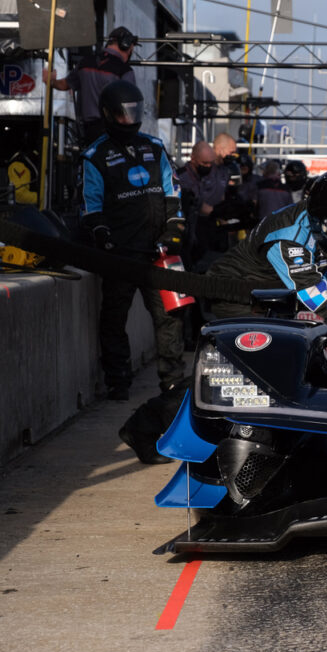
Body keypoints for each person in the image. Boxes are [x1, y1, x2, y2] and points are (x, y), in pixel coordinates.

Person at [79, 81, 184, 417]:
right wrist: (102, 234)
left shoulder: (155, 147)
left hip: (158, 252)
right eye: (123, 113)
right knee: (114, 318)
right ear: (109, 114)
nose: (129, 119)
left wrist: (173, 229)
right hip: (121, 254)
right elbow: (90, 206)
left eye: (134, 112)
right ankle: (118, 381)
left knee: (169, 319)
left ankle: (173, 381)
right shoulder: (95, 156)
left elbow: (172, 194)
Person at [206, 169, 327, 338]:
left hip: (287, 293)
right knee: (270, 352)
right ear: (324, 223)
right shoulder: (289, 237)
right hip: (241, 295)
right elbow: (316, 296)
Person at [44, 26, 138, 146]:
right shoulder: (125, 70)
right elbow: (129, 110)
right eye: (131, 48)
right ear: (125, 44)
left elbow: (63, 85)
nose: (131, 52)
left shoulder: (85, 63)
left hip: (88, 132)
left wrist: (51, 81)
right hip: (113, 133)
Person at [177, 141, 230, 266]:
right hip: (188, 229)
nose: (208, 166)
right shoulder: (180, 177)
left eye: (211, 163)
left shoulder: (216, 175)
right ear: (193, 159)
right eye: (204, 163)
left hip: (212, 229)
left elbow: (221, 195)